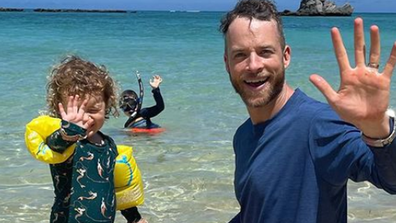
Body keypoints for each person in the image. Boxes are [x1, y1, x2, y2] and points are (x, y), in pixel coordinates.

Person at [220, 0, 396, 222]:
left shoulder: (319, 125)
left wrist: (377, 129)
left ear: (285, 57)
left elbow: (391, 180)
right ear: (227, 64)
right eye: (240, 55)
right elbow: (256, 210)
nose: (253, 65)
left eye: (265, 52)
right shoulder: (243, 136)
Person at [24, 56, 147, 223]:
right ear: (60, 110)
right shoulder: (66, 141)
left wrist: (134, 218)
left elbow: (117, 185)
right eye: (76, 111)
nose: (84, 118)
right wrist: (70, 129)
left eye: (93, 109)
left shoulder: (109, 145)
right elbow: (55, 145)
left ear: (106, 106)